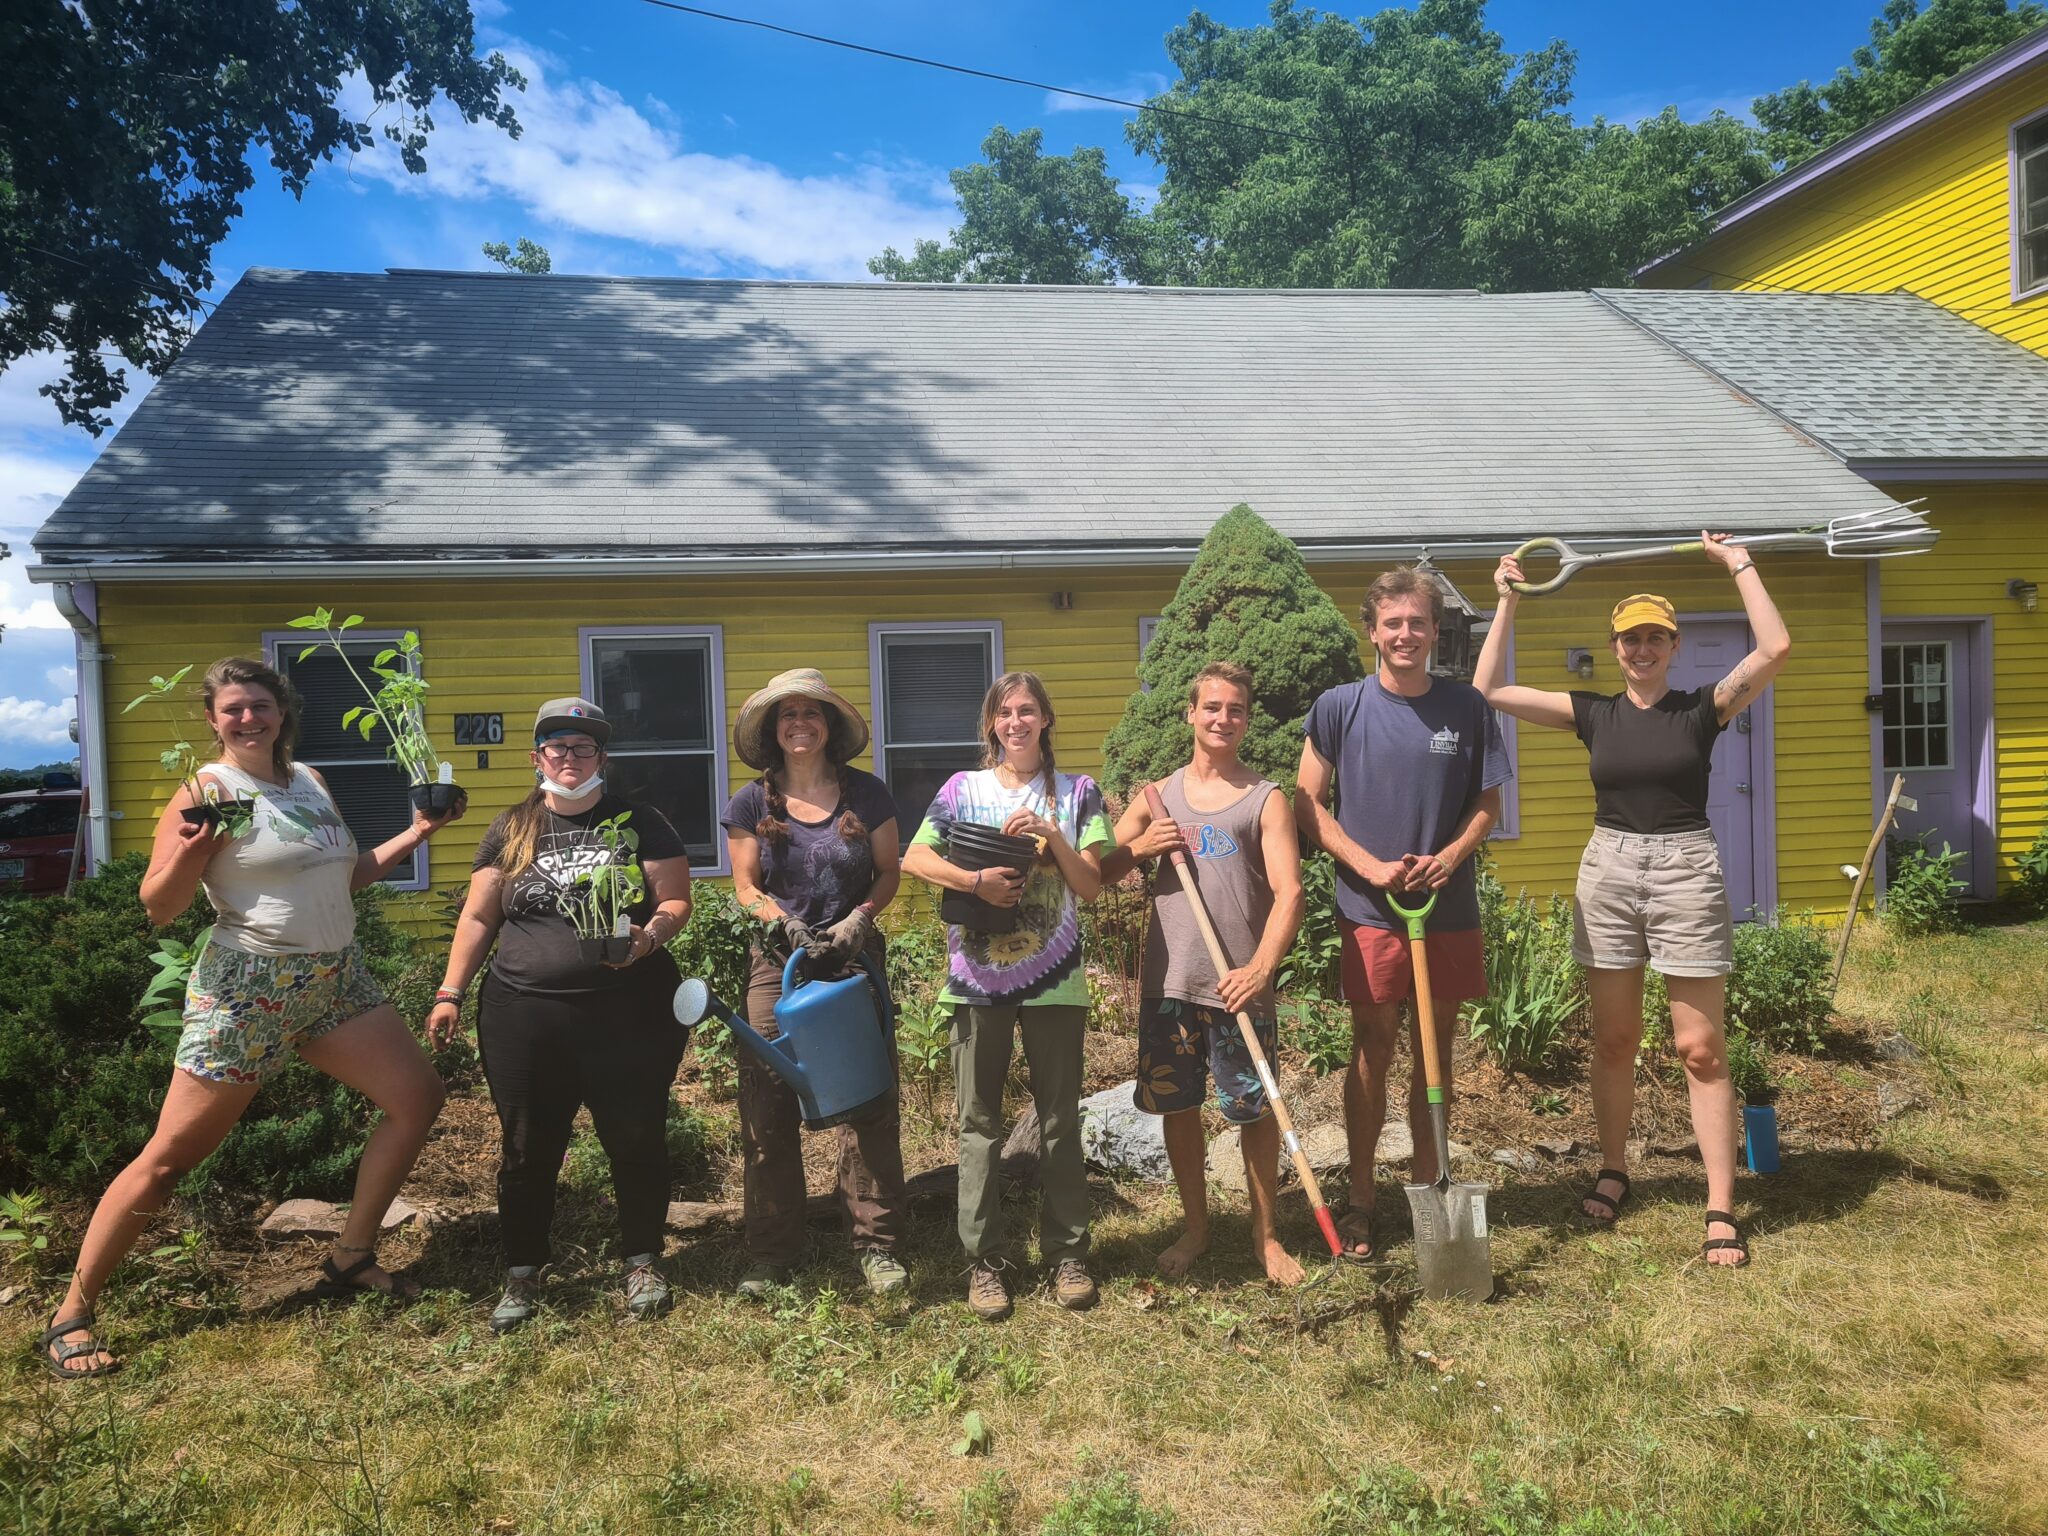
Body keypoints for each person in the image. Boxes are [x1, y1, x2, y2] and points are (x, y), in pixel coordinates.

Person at [44, 657, 466, 1379]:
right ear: (212, 719)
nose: (248, 718)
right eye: (232, 708)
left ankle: (350, 1256)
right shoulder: (207, 791)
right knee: (172, 1158)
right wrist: (189, 855)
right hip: (250, 987)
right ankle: (72, 1312)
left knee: (417, 1099)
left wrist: (418, 832)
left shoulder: (309, 783)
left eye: (259, 705)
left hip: (334, 978)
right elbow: (158, 906)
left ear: (282, 712)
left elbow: (347, 875)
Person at [1474, 535, 1789, 1268]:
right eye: (1630, 639)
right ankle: (1614, 1169)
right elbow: (1489, 689)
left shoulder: (1701, 710)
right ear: (1615, 649)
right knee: (1614, 1041)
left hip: (1686, 870)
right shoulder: (1593, 713)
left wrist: (1738, 564)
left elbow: (1774, 646)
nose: (1642, 649)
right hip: (1609, 872)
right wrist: (1506, 598)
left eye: (1654, 637)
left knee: (1700, 1048)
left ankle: (1719, 1205)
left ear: (1673, 646)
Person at [427, 698, 693, 1331]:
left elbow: (676, 900)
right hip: (523, 1018)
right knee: (527, 1147)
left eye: (583, 748)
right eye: (557, 747)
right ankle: (522, 1271)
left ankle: (642, 1258)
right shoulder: (511, 827)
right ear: (536, 758)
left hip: (630, 1017)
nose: (569, 758)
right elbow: (480, 917)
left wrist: (646, 939)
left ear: (602, 758)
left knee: (634, 1138)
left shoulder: (639, 821)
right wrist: (449, 992)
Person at [1296, 569, 1509, 1262]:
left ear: (1434, 629)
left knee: (1434, 1049)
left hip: (1444, 908)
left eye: (1418, 622)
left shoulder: (1467, 708)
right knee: (1372, 1044)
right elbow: (1307, 804)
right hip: (1372, 906)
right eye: (1393, 623)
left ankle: (1429, 1184)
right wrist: (1367, 866)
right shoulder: (1339, 707)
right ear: (1372, 630)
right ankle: (1360, 1198)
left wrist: (1447, 858)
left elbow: (1488, 806)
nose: (1406, 635)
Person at [902, 672, 1114, 1320]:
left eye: (1027, 711)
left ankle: (1069, 1254)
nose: (1016, 722)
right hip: (976, 979)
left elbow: (1094, 883)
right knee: (978, 1125)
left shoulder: (1079, 793)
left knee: (1058, 1123)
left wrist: (1052, 835)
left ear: (1046, 719)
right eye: (1004, 713)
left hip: (1057, 983)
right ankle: (984, 1263)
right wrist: (975, 880)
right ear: (992, 725)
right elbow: (915, 857)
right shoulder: (960, 792)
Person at [1110, 662, 1307, 1285]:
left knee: (1255, 1112)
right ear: (1191, 714)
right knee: (1180, 1108)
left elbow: (1290, 892)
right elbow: (1101, 868)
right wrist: (1142, 847)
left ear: (1246, 720)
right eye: (1213, 707)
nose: (1224, 718)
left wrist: (1260, 969)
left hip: (1238, 987)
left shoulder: (1265, 799)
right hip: (1171, 983)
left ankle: (1266, 1236)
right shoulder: (1156, 797)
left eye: (1236, 710)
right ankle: (1195, 1230)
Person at [721, 668, 907, 1299]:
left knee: (869, 1101)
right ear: (775, 731)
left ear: (829, 726)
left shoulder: (868, 794)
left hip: (853, 959)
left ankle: (877, 1246)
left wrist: (859, 920)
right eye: (787, 714)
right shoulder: (752, 803)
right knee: (768, 1099)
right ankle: (773, 1252)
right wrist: (786, 924)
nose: (799, 723)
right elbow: (745, 888)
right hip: (778, 964)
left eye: (811, 712)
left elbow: (888, 872)